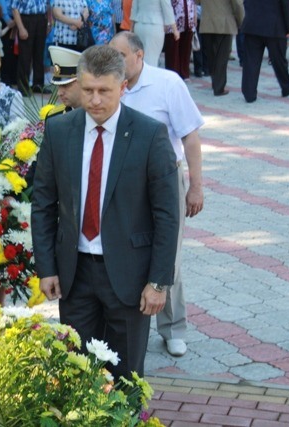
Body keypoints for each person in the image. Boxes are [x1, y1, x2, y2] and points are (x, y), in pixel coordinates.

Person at [31, 45, 180, 378]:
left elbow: (168, 216)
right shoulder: (59, 131)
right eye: (87, 91)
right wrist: (46, 267)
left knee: (126, 374)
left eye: (104, 91)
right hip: (75, 273)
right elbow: (43, 203)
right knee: (76, 371)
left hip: (130, 277)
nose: (95, 100)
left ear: (123, 87)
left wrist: (158, 282)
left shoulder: (149, 135)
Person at [110, 31, 204, 357]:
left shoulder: (168, 83)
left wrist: (196, 185)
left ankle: (173, 327)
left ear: (139, 55)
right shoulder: (113, 89)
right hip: (122, 184)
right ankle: (125, 322)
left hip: (165, 180)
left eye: (120, 56)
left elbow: (190, 137)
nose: (116, 62)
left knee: (169, 255)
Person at [241, 0, 289, 103]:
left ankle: (249, 93)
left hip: (253, 24)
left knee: (251, 62)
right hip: (275, 25)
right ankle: (287, 86)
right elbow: (286, 4)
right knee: (279, 60)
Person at [197, 0, 244, 96]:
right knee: (221, 57)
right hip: (224, 23)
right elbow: (238, 4)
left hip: (207, 22)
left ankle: (215, 82)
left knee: (211, 56)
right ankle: (219, 87)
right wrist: (241, 21)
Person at [12, 0, 49, 93]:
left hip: (41, 19)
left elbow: (47, 5)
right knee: (25, 55)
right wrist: (21, 28)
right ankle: (23, 87)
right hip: (26, 20)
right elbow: (15, 9)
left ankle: (38, 84)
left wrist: (48, 22)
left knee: (39, 54)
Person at [131, 0, 178, 66]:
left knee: (139, 58)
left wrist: (131, 28)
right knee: (151, 59)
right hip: (155, 26)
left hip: (139, 25)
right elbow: (167, 9)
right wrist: (175, 30)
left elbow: (134, 8)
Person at [164, 0, 197, 80]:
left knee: (186, 49)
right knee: (172, 50)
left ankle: (184, 73)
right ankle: (173, 74)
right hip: (173, 21)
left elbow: (194, 2)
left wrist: (195, 16)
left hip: (189, 19)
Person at [47, 45, 82, 116]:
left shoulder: (99, 117)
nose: (59, 93)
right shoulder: (54, 117)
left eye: (65, 85)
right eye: (58, 86)